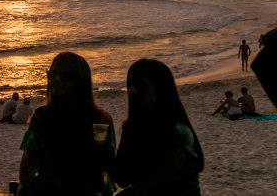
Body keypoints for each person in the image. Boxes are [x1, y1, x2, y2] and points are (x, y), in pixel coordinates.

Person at [18, 52, 116, 196]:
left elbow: (109, 172)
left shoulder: (101, 120)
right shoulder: (41, 117)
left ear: (80, 81)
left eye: (64, 76)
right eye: (52, 74)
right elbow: (28, 166)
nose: (56, 80)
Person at [114, 58, 203, 195]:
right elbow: (123, 179)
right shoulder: (133, 127)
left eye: (142, 85)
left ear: (161, 89)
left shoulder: (177, 131)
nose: (133, 91)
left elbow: (156, 183)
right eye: (130, 85)